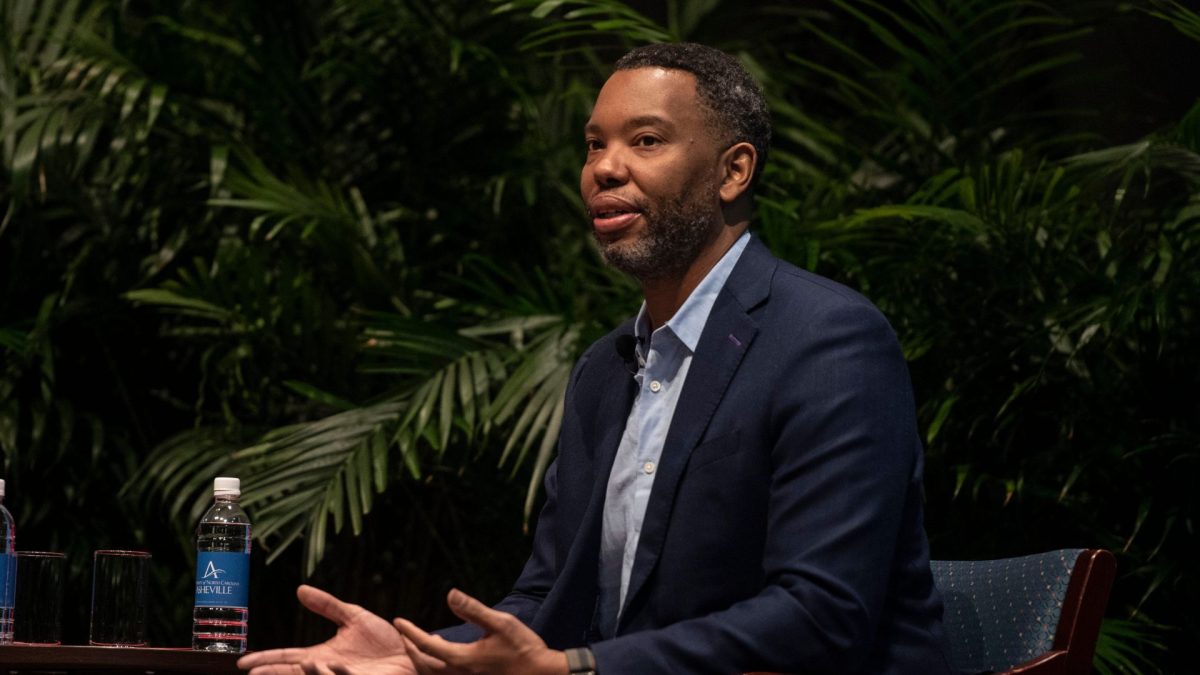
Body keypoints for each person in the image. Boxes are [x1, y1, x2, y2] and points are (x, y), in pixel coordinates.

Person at [239, 42, 953, 675]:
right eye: (592, 145)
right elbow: (549, 597)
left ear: (733, 171)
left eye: (645, 140)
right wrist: (419, 652)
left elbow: (820, 613)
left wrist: (579, 667)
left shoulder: (828, 339)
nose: (604, 169)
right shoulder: (604, 370)